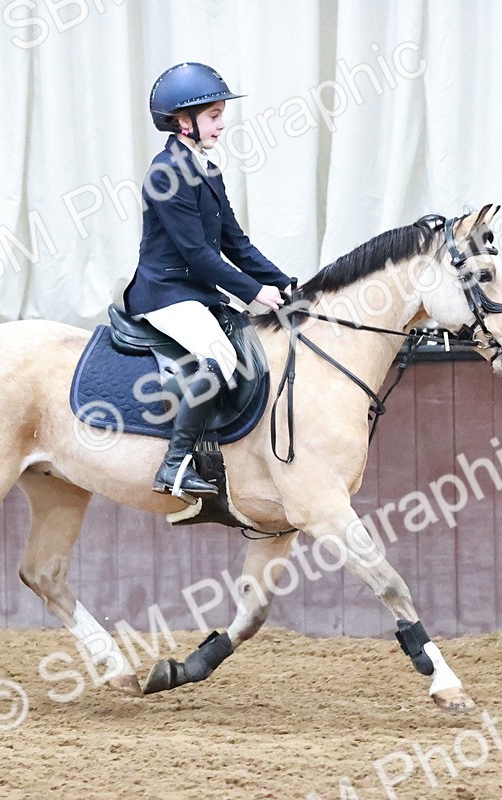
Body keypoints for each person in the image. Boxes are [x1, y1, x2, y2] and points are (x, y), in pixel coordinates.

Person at [123, 62, 295, 499]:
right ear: (184, 121)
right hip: (164, 292)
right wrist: (255, 292)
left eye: (221, 114)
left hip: (195, 292)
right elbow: (198, 255)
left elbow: (235, 243)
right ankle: (174, 465)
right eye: (214, 116)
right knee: (219, 355)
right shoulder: (166, 174)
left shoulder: (207, 169)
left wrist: (286, 283)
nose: (222, 124)